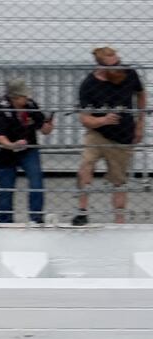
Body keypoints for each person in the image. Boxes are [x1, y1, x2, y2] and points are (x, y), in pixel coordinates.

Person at [74, 47, 145, 227]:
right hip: (98, 133)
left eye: (118, 63)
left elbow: (141, 93)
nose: (118, 69)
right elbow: (84, 118)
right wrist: (102, 120)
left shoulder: (129, 74)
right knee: (86, 165)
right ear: (101, 68)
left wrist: (140, 122)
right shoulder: (89, 84)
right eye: (113, 66)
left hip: (123, 136)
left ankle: (119, 220)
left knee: (119, 181)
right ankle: (82, 211)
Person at [0, 78, 51, 225]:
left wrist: (48, 125)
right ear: (14, 97)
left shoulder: (30, 105)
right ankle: (4, 221)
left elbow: (44, 128)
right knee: (6, 188)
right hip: (6, 150)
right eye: (23, 96)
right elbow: (0, 136)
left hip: (28, 148)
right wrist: (12, 145)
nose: (27, 98)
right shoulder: (0, 108)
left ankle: (36, 218)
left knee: (36, 182)